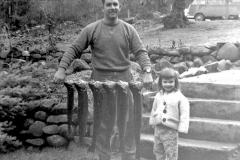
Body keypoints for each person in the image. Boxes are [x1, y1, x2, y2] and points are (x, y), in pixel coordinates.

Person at [53, 0, 153, 159]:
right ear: (103, 7)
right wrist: (61, 69)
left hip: (125, 80)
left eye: (115, 4)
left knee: (128, 122)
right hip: (101, 82)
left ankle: (129, 155)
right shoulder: (92, 29)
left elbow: (140, 52)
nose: (113, 7)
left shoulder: (128, 29)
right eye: (109, 4)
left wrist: (147, 71)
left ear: (120, 7)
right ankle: (104, 156)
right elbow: (74, 48)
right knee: (103, 124)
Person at [149, 68, 190, 160]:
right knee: (158, 150)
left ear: (175, 82)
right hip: (158, 128)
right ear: (161, 83)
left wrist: (182, 127)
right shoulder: (158, 95)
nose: (168, 84)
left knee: (171, 152)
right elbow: (154, 109)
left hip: (170, 129)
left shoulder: (179, 97)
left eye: (171, 82)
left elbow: (184, 113)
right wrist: (153, 121)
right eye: (165, 82)